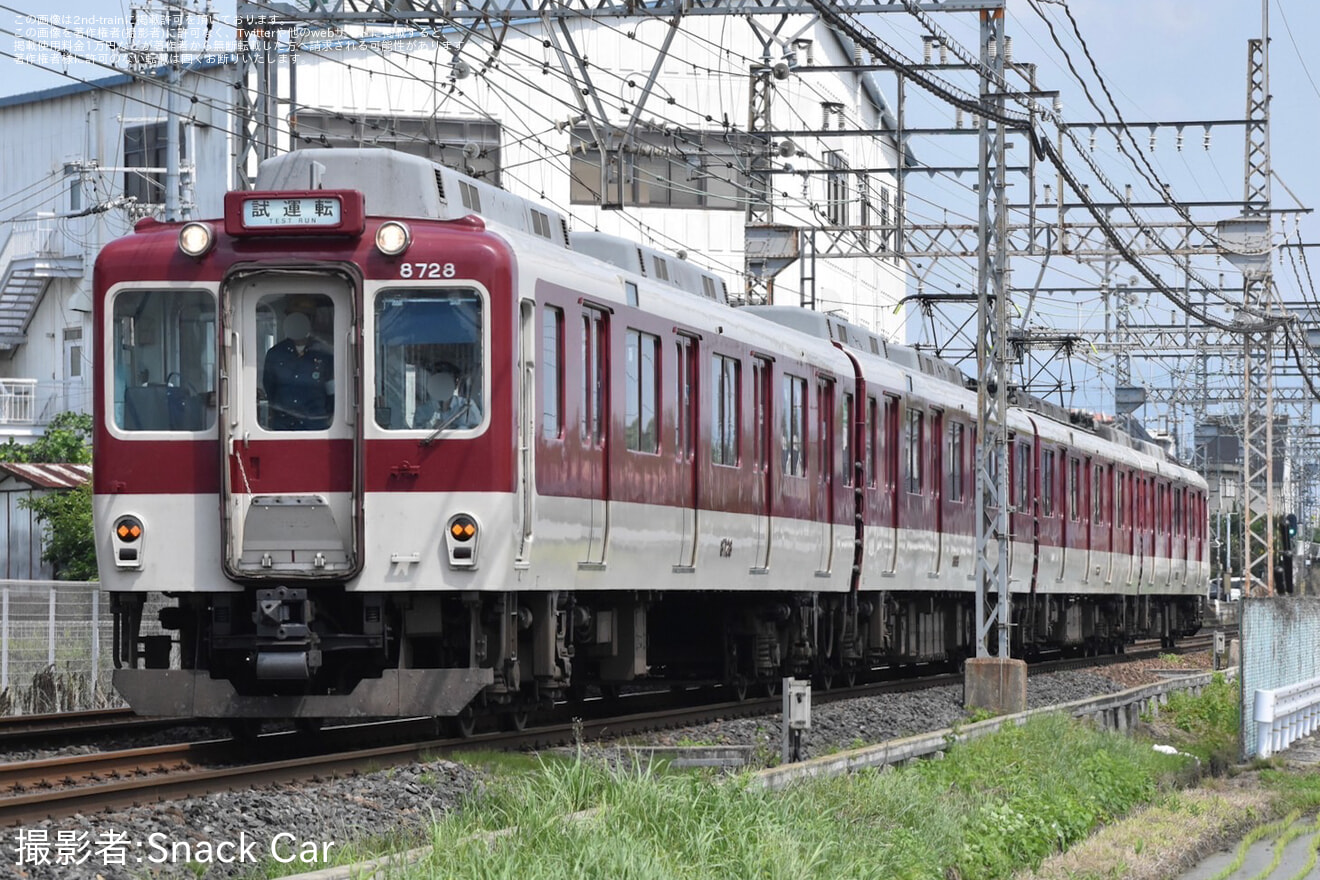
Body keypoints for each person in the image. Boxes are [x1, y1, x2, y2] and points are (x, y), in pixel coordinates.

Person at [263, 311, 334, 430]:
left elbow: (332, 391)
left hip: (315, 424)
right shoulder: (275, 354)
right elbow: (269, 387)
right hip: (283, 424)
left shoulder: (324, 353)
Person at [414, 365, 481, 429]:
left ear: (456, 384)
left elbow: (479, 430)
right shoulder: (422, 411)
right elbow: (417, 435)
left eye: (447, 381)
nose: (443, 385)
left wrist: (454, 428)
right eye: (439, 381)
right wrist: (431, 428)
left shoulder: (468, 406)